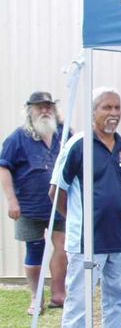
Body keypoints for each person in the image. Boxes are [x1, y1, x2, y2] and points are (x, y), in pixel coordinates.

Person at [49, 88, 121, 328]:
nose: (113, 113)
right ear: (93, 111)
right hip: (87, 242)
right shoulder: (78, 145)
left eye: (117, 107)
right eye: (106, 107)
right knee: (79, 303)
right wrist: (78, 221)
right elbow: (56, 191)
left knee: (117, 302)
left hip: (119, 240)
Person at [0, 91, 67, 314]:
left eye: (48, 106)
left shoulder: (64, 134)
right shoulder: (17, 138)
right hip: (29, 205)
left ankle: (59, 295)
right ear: (30, 110)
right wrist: (11, 201)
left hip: (60, 204)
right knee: (34, 249)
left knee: (63, 247)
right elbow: (4, 168)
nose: (45, 110)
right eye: (40, 107)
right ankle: (36, 298)